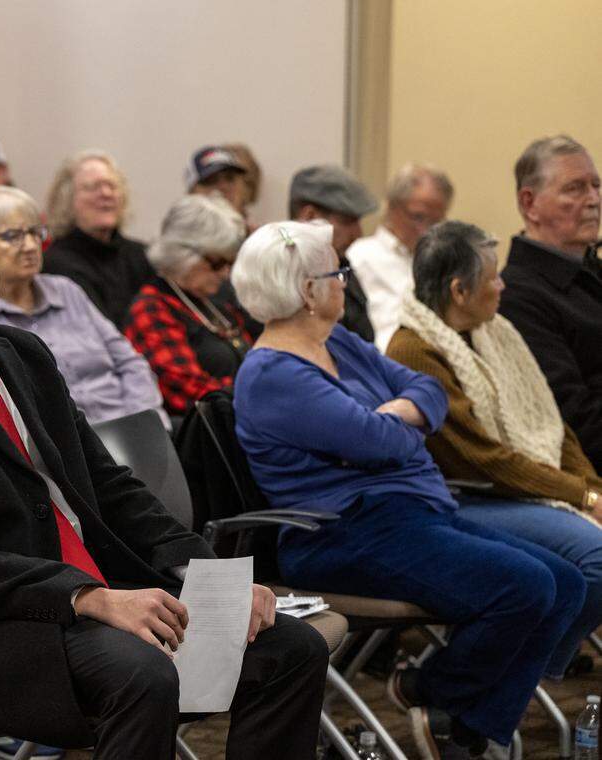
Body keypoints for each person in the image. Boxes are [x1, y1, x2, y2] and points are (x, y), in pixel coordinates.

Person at [0, 173, 328, 759]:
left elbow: (109, 486)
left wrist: (214, 575)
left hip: (92, 593)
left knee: (293, 648)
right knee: (145, 672)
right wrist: (88, 597)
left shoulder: (20, 352)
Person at [230, 220, 585, 758]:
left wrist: (399, 417)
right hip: (342, 532)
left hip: (413, 514)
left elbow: (428, 388)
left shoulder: (339, 342)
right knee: (528, 586)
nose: (344, 280)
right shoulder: (272, 374)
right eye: (336, 271)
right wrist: (402, 424)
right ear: (307, 291)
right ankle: (449, 710)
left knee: (567, 581)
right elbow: (381, 442)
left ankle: (448, 710)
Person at [387, 219, 602, 680]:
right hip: (462, 497)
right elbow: (481, 458)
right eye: (494, 278)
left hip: (507, 491)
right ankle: (506, 679)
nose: (504, 286)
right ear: (460, 291)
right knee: (598, 557)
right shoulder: (414, 350)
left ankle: (515, 679)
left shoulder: (496, 332)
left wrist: (593, 488)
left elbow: (552, 425)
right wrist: (582, 496)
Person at [0, 184, 163, 426]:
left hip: (127, 426)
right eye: (13, 236)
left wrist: (144, 423)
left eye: (34, 232)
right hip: (67, 447)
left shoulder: (66, 290)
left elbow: (130, 362)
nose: (31, 246)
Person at [498, 135, 602, 471]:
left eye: (596, 186)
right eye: (575, 189)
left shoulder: (590, 271)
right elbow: (573, 422)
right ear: (530, 204)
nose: (593, 200)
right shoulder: (517, 296)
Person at [124, 195, 251, 416]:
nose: (225, 272)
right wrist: (259, 391)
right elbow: (186, 387)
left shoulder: (212, 300)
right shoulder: (151, 309)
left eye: (230, 262)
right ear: (183, 254)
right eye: (217, 262)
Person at [347, 163, 453, 352]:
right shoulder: (360, 256)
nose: (426, 231)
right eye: (418, 217)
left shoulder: (444, 263)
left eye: (437, 222)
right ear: (391, 207)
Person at [42, 149, 153, 327]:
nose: (106, 194)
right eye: (93, 187)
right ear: (67, 200)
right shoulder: (57, 264)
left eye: (112, 186)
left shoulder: (142, 254)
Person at [288, 165, 378, 342]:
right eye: (347, 222)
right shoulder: (280, 279)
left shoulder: (341, 266)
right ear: (310, 216)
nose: (358, 234)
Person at [185, 145, 249, 216]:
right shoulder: (178, 226)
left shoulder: (260, 227)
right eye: (211, 180)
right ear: (191, 193)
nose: (224, 187)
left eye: (230, 178)